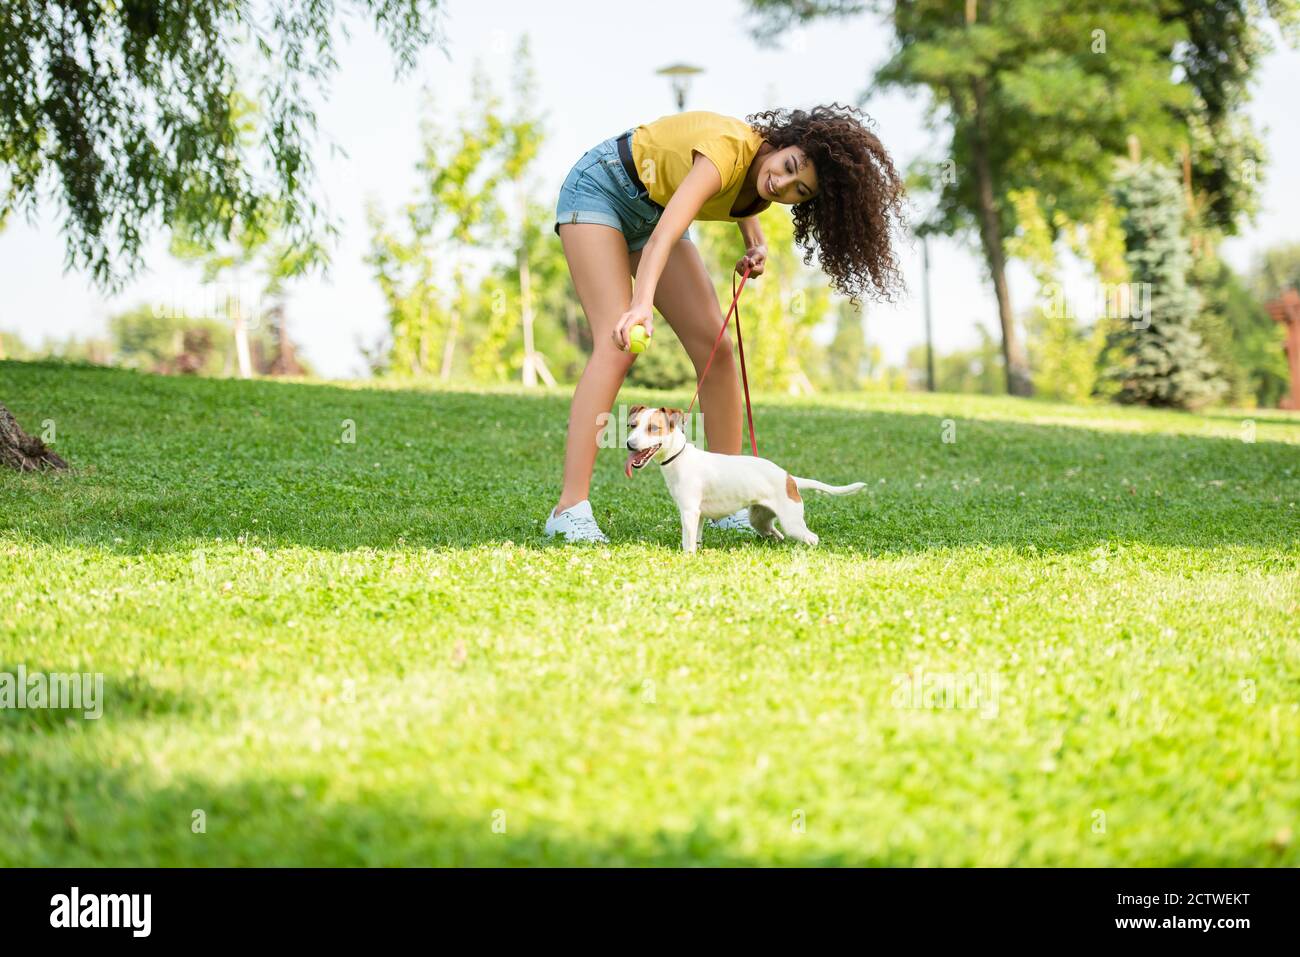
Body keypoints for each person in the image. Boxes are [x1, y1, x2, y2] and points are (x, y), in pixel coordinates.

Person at [545, 105, 906, 543]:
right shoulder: (728, 150)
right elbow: (672, 227)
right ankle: (569, 509)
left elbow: (743, 193)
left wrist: (754, 239)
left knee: (717, 350)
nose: (783, 184)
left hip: (656, 210)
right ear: (782, 142)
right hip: (602, 189)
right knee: (617, 343)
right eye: (788, 167)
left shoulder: (763, 182)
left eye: (799, 191)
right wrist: (640, 304)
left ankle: (727, 499)